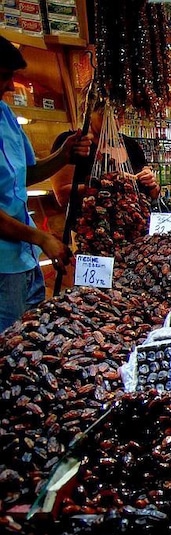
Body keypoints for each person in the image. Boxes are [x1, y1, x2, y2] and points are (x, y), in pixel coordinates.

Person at [0, 36, 91, 332]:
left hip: (25, 260)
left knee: (31, 340)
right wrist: (42, 238)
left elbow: (27, 174)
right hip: (3, 266)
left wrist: (63, 155)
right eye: (4, 77)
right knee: (9, 348)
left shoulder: (5, 115)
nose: (11, 86)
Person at [50, 99, 159, 209]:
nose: (117, 122)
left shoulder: (131, 146)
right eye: (112, 116)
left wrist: (151, 183)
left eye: (121, 116)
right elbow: (62, 196)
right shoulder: (74, 143)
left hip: (133, 222)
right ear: (90, 112)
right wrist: (111, 183)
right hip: (88, 222)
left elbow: (153, 194)